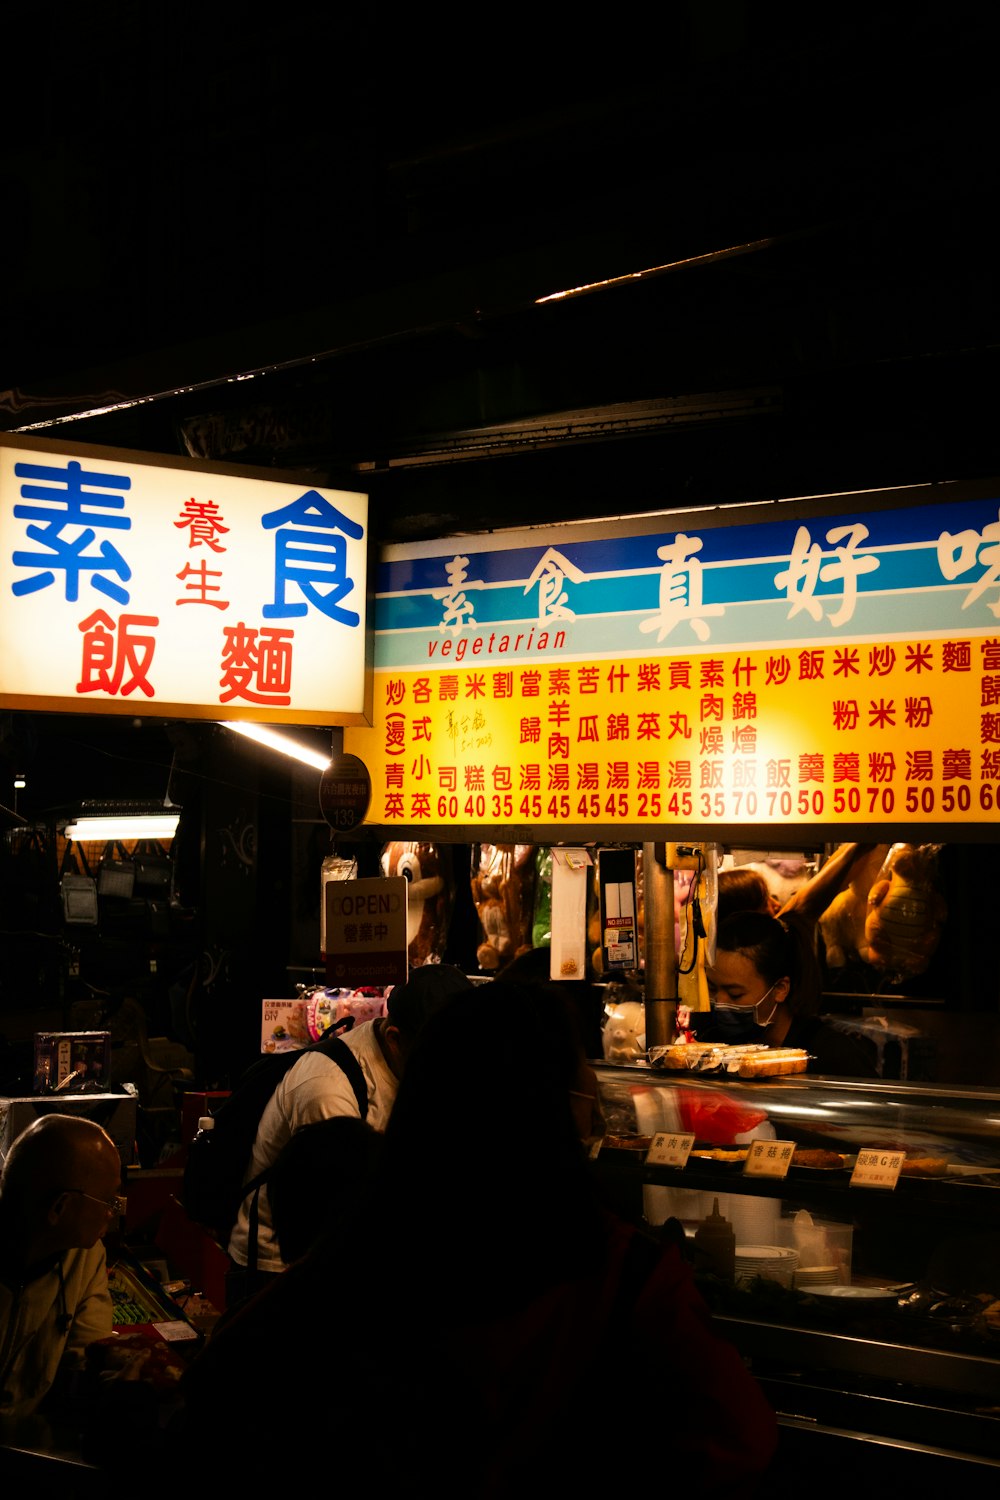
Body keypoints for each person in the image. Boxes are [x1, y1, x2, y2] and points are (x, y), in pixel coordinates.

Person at [177, 981, 777, 1494]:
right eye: (579, 1077)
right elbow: (739, 1443)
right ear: (555, 1108)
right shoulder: (622, 1276)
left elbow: (217, 1407)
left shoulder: (359, 1252)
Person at [225, 961, 472, 1305]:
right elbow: (339, 1220)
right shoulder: (327, 1087)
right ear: (396, 1040)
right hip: (280, 1270)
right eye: (439, 1057)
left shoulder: (422, 1071)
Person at [0, 1113, 119, 1440]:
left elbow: (90, 1356)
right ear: (60, 1208)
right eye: (107, 1201)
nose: (112, 1212)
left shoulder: (86, 1255)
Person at [703, 909, 879, 1077]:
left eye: (735, 994)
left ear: (780, 989)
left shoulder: (831, 1055)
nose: (719, 1003)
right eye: (712, 989)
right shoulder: (712, 1050)